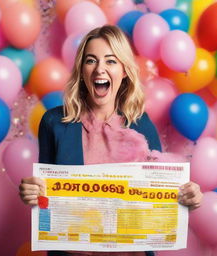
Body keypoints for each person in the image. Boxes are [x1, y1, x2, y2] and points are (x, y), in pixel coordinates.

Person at [19, 25, 203, 256]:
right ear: (81, 69)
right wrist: (33, 194)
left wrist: (187, 197)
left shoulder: (142, 124)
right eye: (91, 60)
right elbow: (46, 202)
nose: (100, 70)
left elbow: (162, 198)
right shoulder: (54, 123)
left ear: (124, 70)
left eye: (111, 61)